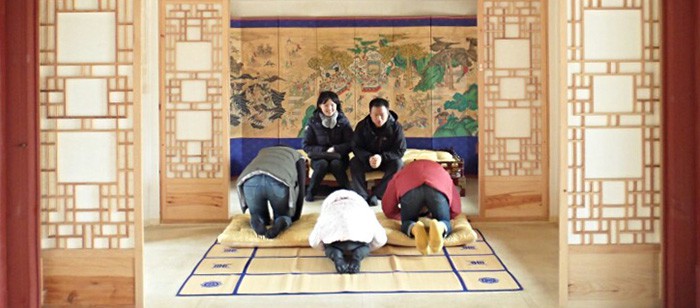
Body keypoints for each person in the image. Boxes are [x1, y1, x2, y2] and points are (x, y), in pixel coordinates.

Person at [381, 160, 462, 255]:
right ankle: (440, 226)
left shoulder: (402, 172)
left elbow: (388, 207)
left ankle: (414, 228)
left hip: (410, 191)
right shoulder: (443, 172)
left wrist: (400, 215)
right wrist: (447, 216)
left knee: (407, 222)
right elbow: (456, 209)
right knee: (445, 221)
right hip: (437, 190)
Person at [308, 189, 387, 274]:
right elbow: (381, 240)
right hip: (359, 242)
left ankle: (336, 256)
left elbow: (314, 242)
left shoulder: (327, 212)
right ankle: (357, 257)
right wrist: (369, 246)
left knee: (330, 247)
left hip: (335, 243)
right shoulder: (366, 212)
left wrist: (325, 248)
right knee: (365, 246)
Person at [236, 146, 306, 239]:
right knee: (282, 214)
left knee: (257, 214)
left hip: (250, 179)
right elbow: (301, 185)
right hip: (278, 180)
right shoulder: (297, 155)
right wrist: (295, 216)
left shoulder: (263, 151)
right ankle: (279, 224)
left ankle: (257, 221)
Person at [350, 97, 407, 206]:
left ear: (388, 113)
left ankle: (377, 194)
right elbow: (355, 146)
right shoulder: (362, 126)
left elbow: (400, 149)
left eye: (382, 115)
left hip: (386, 161)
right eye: (375, 115)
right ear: (370, 114)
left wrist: (382, 157)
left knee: (398, 163)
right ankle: (362, 195)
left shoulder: (396, 127)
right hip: (368, 160)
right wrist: (368, 157)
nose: (379, 118)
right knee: (354, 162)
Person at [302, 91, 353, 201]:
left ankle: (348, 193)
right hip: (319, 157)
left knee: (336, 164)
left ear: (337, 106)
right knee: (322, 164)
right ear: (320, 105)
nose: (329, 108)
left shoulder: (343, 121)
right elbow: (306, 145)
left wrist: (335, 149)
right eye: (326, 105)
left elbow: (350, 143)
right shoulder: (312, 122)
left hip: (339, 157)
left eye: (332, 105)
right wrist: (324, 150)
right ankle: (310, 193)